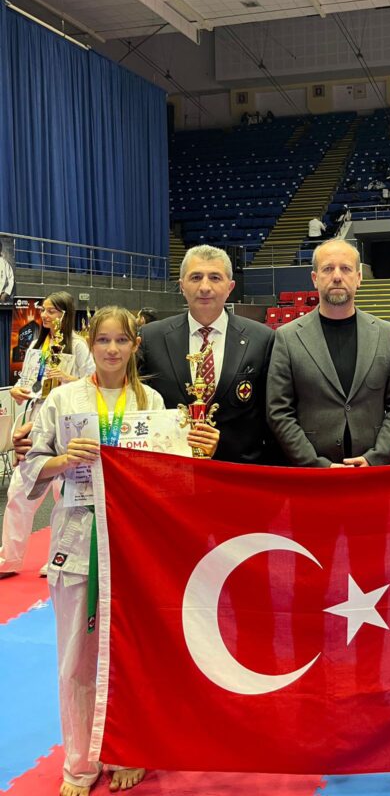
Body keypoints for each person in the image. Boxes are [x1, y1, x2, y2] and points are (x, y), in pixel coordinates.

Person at [20, 306, 167, 795]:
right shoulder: (63, 399)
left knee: (130, 653)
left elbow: (166, 474)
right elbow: (30, 467)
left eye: (121, 340)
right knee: (76, 658)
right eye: (102, 340)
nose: (111, 349)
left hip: (133, 542)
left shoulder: (151, 402)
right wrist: (63, 460)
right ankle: (80, 763)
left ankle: (128, 749)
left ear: (135, 346)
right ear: (90, 343)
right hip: (77, 537)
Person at [267, 239, 390, 467]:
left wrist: (375, 457)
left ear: (359, 277)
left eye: (345, 268)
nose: (336, 276)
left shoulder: (385, 333)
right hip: (312, 473)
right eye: (327, 269)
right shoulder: (288, 337)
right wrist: (316, 464)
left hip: (374, 471)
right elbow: (279, 411)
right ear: (315, 278)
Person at [138, 244, 277, 464]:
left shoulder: (262, 339)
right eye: (195, 277)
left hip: (238, 470)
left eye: (215, 277)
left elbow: (271, 416)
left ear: (230, 286)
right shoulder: (151, 338)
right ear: (182, 286)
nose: (204, 287)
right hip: (172, 467)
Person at [0, 291, 94, 579]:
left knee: (62, 493)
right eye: (43, 310)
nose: (45, 315)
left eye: (52, 311)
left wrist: (67, 379)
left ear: (65, 313)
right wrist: (19, 391)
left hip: (67, 422)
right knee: (19, 489)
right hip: (35, 419)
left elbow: (94, 381)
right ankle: (9, 558)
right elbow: (29, 382)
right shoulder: (36, 345)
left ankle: (57, 558)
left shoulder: (78, 346)